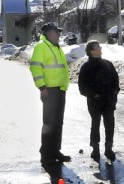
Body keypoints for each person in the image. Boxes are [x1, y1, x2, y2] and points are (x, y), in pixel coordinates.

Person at [30, 22, 71, 174]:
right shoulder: (42, 46)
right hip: (49, 90)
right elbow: (35, 67)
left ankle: (55, 151)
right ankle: (46, 155)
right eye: (56, 32)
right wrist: (42, 87)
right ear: (48, 33)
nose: (59, 35)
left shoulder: (55, 47)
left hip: (59, 90)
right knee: (49, 124)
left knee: (57, 123)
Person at [78, 40, 120, 162]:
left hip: (109, 101)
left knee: (109, 124)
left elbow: (115, 80)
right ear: (91, 51)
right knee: (95, 124)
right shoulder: (86, 67)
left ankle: (109, 147)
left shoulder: (108, 64)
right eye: (97, 47)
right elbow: (82, 87)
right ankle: (95, 148)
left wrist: (114, 92)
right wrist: (94, 95)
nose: (100, 48)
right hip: (94, 102)